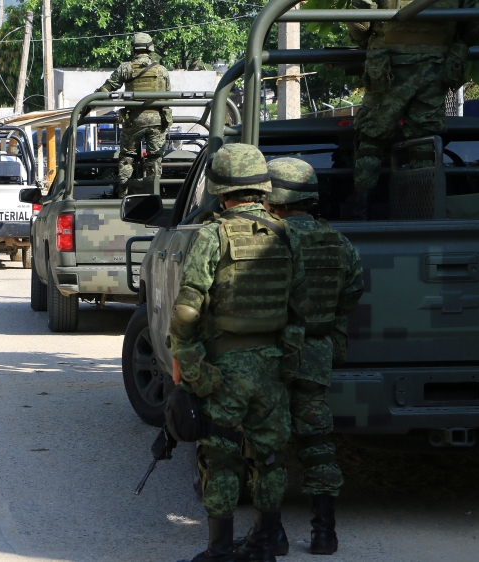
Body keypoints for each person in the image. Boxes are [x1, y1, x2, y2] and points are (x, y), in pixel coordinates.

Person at [171, 144, 310, 562]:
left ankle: (219, 550)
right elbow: (300, 307)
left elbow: (186, 309)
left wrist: (189, 362)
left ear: (221, 190)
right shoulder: (286, 236)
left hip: (223, 370)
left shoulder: (212, 235)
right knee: (269, 457)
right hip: (270, 366)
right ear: (263, 189)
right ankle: (266, 542)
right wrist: (287, 361)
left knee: (221, 455)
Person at [252, 158, 364, 556]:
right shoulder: (337, 241)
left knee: (268, 444)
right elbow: (353, 292)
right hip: (316, 353)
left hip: (270, 353)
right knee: (317, 441)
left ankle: (273, 535)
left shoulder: (266, 239)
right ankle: (324, 533)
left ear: (274, 197)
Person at [344, 0, 479, 220]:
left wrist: (366, 42)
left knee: (372, 137)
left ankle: (360, 209)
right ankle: (425, 209)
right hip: (436, 65)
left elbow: (360, 23)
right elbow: (477, 25)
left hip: (388, 66)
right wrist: (455, 42)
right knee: (425, 139)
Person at [95, 32, 172, 194]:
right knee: (154, 159)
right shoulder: (161, 70)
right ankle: (154, 192)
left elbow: (107, 88)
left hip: (133, 120)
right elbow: (167, 98)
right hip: (156, 121)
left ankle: (123, 193)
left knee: (127, 158)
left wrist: (91, 102)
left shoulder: (126, 68)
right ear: (150, 49)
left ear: (133, 49)